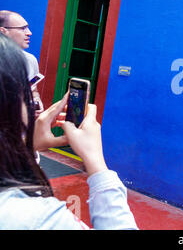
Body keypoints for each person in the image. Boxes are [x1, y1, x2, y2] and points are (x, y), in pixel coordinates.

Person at [0, 34, 138, 229]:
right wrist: (96, 163)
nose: (32, 103)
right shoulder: (36, 218)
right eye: (25, 91)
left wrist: (27, 146)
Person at [0, 10, 43, 118]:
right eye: (23, 28)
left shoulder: (30, 60)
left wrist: (36, 101)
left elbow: (33, 90)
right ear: (3, 31)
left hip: (18, 132)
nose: (29, 33)